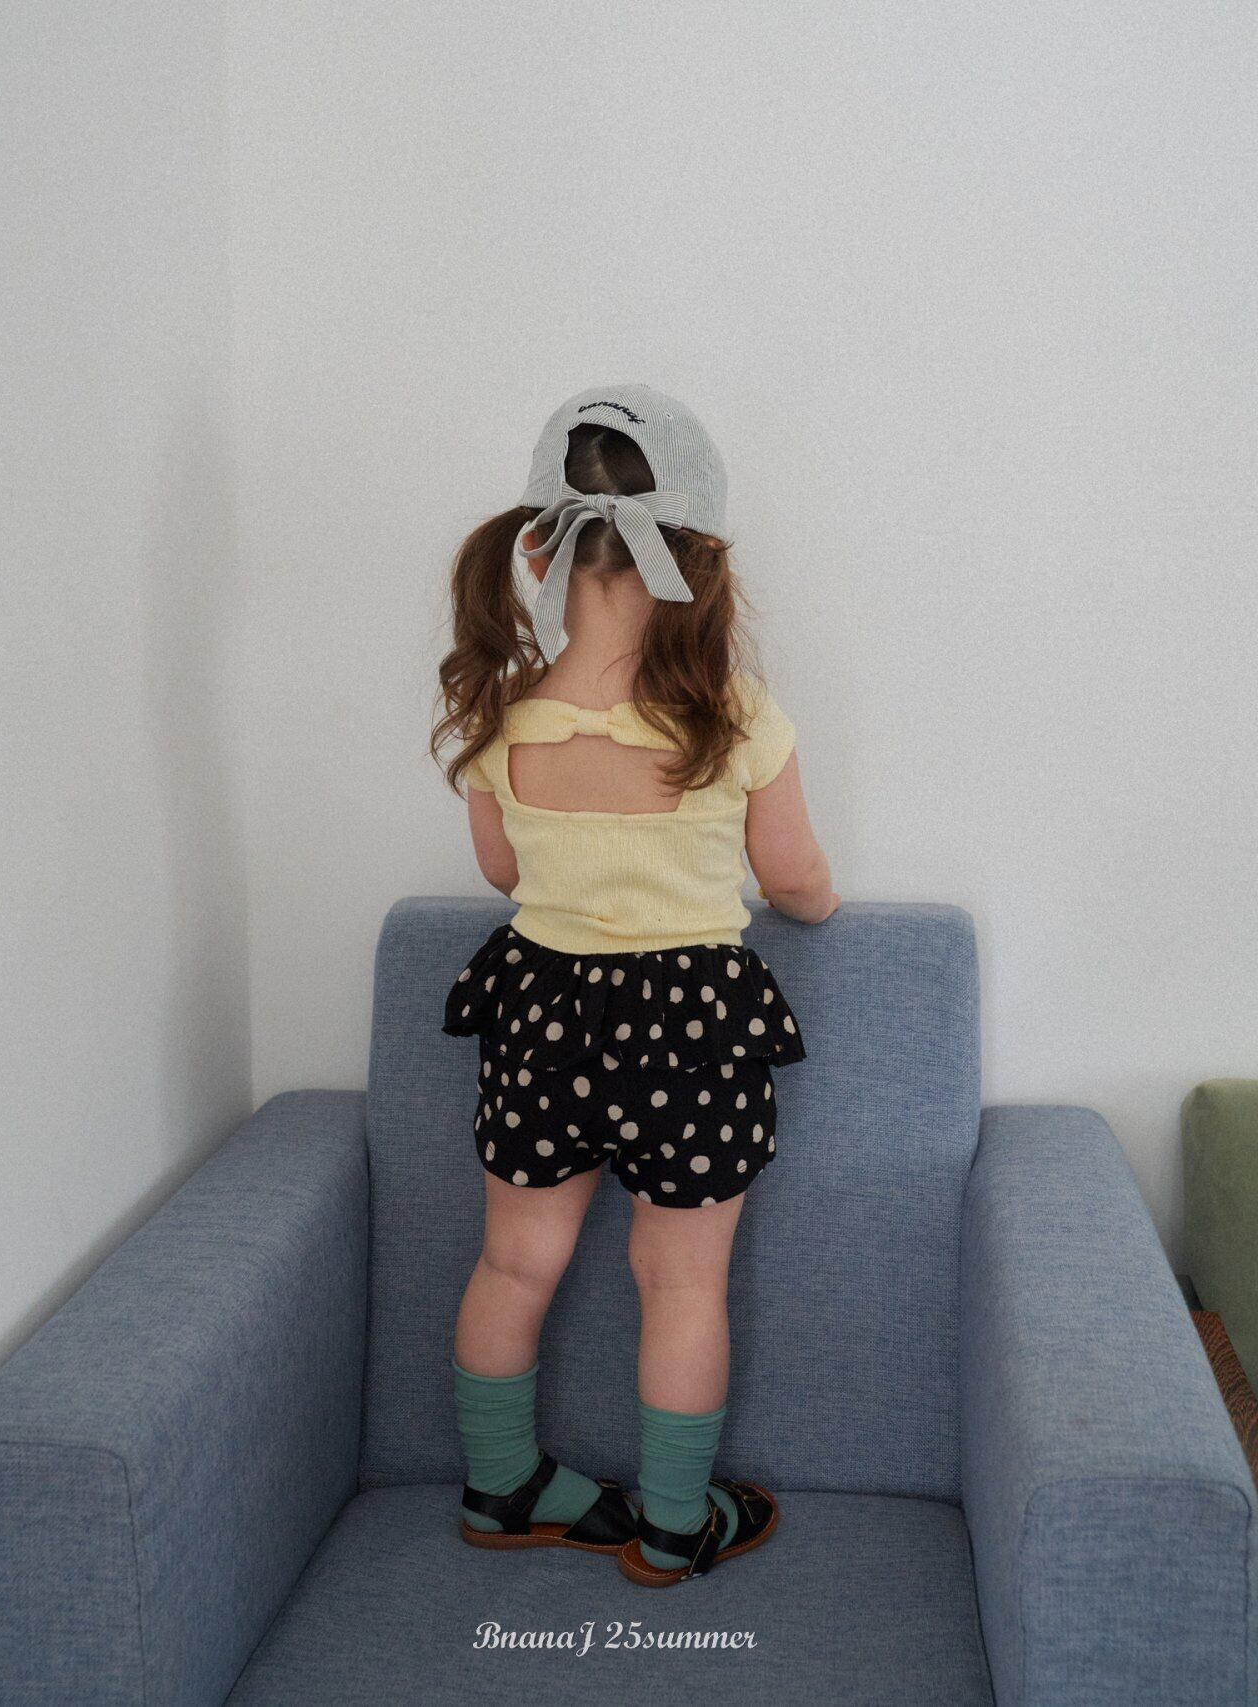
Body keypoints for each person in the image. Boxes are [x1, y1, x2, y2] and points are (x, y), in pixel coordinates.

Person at [431, 382, 839, 1586]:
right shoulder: (734, 719)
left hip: (539, 1014)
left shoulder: (506, 720)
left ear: (538, 549)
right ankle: (670, 1524)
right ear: (701, 559)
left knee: (513, 1264)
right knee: (680, 1282)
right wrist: (814, 909)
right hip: (693, 1028)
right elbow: (795, 879)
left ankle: (501, 1489)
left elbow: (504, 873)